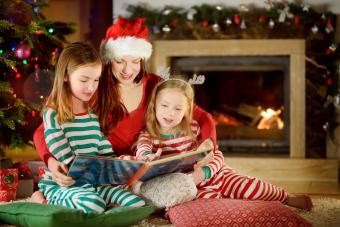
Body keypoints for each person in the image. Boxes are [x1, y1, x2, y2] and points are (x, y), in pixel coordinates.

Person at [32, 18, 216, 197]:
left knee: (210, 173)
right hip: (113, 173)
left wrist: (209, 144)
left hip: (153, 166)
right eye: (120, 61)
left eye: (135, 61)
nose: (128, 70)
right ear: (109, 58)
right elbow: (43, 131)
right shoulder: (93, 86)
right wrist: (51, 161)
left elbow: (202, 117)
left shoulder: (155, 84)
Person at [135, 76, 313, 211]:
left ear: (187, 111)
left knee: (250, 186)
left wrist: (205, 172)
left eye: (178, 108)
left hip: (216, 175)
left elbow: (216, 155)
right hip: (190, 187)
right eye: (164, 106)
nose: (170, 113)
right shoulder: (148, 135)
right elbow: (141, 153)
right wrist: (147, 157)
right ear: (154, 106)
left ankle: (286, 197)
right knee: (211, 205)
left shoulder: (194, 128)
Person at [31, 42, 145, 213]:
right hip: (65, 184)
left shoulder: (91, 116)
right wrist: (55, 162)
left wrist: (118, 164)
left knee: (137, 204)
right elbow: (60, 150)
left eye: (96, 80)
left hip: (94, 181)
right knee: (93, 204)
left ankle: (99, 205)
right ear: (66, 76)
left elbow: (102, 147)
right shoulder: (53, 113)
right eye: (84, 80)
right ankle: (41, 202)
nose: (91, 87)